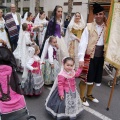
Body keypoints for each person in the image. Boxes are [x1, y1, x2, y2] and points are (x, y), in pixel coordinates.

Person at [78, 3, 107, 107]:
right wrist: (81, 58)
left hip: (100, 56)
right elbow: (83, 42)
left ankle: (89, 94)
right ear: (94, 15)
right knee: (85, 77)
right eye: (97, 14)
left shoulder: (107, 27)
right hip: (89, 55)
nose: (99, 16)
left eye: (101, 14)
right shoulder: (89, 27)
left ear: (104, 14)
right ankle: (82, 96)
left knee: (95, 77)